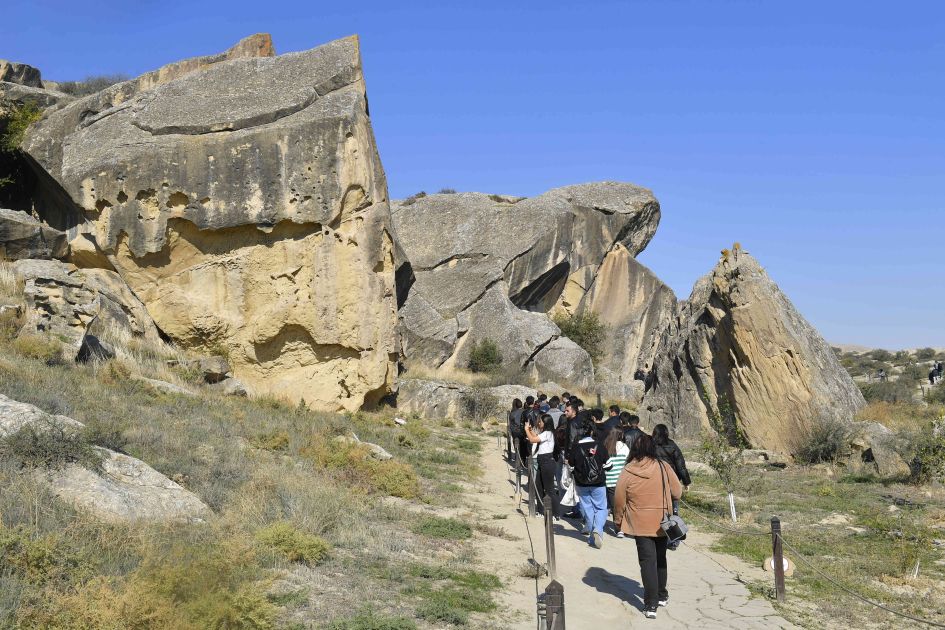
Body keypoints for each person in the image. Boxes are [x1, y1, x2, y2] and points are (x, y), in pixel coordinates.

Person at [614, 434, 682, 619]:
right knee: (661, 558)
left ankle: (651, 605)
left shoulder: (628, 470)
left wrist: (618, 520)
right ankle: (661, 595)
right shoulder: (663, 466)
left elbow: (619, 499)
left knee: (647, 562)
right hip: (662, 521)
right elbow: (677, 491)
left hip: (639, 522)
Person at [570, 419, 611, 549]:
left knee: (587, 507)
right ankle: (598, 530)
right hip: (598, 482)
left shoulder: (575, 447)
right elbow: (609, 466)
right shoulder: (600, 446)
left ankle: (593, 535)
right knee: (601, 507)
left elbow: (571, 465)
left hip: (581, 482)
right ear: (592, 431)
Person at [652, 423, 691, 549]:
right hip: (671, 481)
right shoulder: (672, 445)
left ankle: (654, 536)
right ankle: (673, 540)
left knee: (656, 509)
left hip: (654, 482)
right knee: (673, 511)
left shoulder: (651, 445)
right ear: (667, 433)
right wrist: (686, 482)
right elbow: (680, 465)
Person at [525, 413, 559, 519]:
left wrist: (526, 430)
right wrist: (530, 430)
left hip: (547, 461)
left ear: (546, 422)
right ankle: (540, 510)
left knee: (549, 489)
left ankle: (555, 513)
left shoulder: (548, 433)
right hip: (541, 461)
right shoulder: (544, 433)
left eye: (541, 421)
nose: (539, 423)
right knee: (538, 486)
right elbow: (535, 437)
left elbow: (532, 440)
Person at [603, 427, 629, 537]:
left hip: (609, 480)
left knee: (613, 505)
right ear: (621, 435)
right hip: (622, 480)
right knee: (622, 505)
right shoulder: (625, 447)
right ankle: (622, 527)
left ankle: (617, 528)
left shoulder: (606, 446)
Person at [507, 398, 524, 463]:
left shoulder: (512, 413)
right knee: (522, 446)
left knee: (516, 446)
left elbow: (511, 425)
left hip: (515, 432)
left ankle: (517, 459)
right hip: (523, 431)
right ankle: (521, 460)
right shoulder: (524, 411)